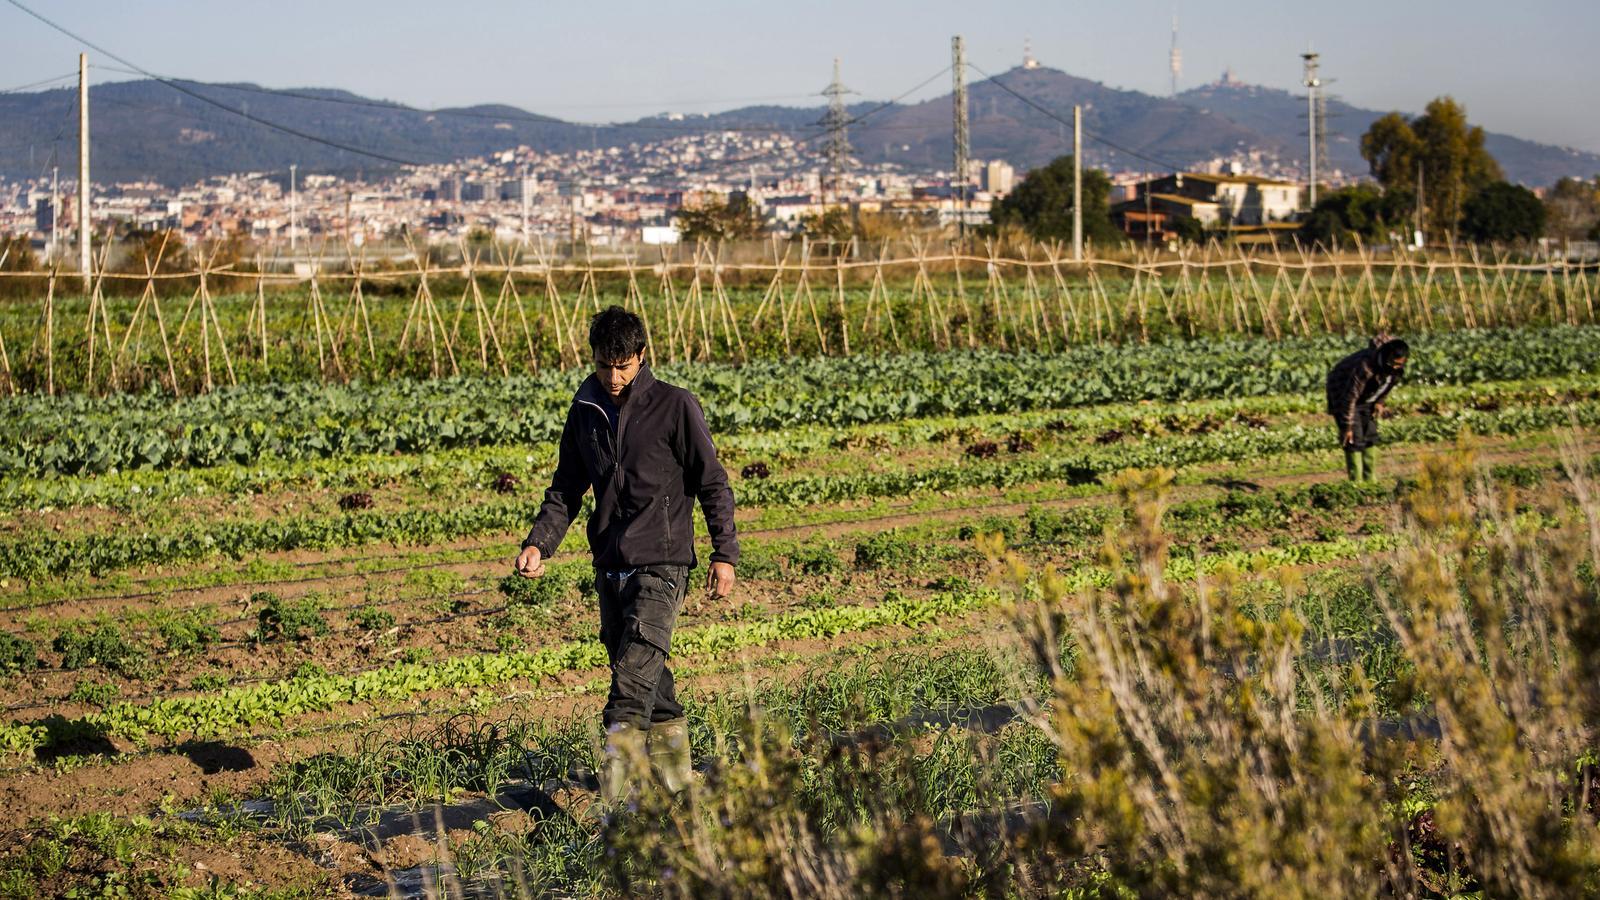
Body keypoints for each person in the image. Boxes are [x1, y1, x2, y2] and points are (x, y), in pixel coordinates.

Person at [514, 306, 738, 803]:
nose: (613, 377)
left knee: (630, 685)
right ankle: (680, 788)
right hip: (610, 566)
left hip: (662, 561)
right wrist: (539, 542)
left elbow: (712, 481)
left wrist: (725, 552)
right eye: (603, 365)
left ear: (641, 357)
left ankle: (613, 808)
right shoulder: (586, 412)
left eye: (623, 365)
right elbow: (566, 488)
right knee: (649, 678)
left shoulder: (675, 406)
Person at [1325, 335, 1409, 482]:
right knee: (1353, 439)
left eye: (1399, 365)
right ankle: (1356, 483)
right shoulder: (1365, 367)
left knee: (1370, 436)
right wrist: (1347, 426)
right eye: (1393, 364)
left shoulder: (1396, 369)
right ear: (1386, 356)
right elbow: (1349, 397)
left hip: (1366, 398)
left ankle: (1370, 480)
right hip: (1342, 394)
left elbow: (1388, 384)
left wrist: (1379, 402)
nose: (1395, 367)